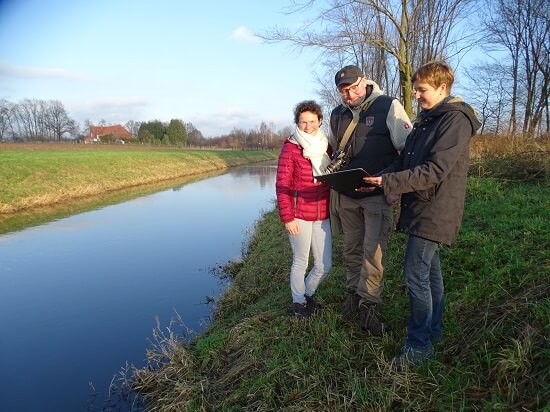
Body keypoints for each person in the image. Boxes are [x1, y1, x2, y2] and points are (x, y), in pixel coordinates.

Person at [362, 61, 481, 369]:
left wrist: (390, 182)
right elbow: (405, 161)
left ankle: (419, 344)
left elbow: (435, 171)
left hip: (437, 209)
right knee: (430, 273)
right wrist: (378, 178)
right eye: (415, 89)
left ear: (442, 89)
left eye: (422, 90)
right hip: (421, 206)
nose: (415, 95)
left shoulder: (455, 121)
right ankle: (434, 330)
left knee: (415, 273)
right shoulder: (427, 119)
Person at [329, 65, 412, 335]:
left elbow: (406, 148)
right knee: (351, 250)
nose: (348, 94)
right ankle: (353, 295)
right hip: (347, 195)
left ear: (364, 82)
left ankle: (369, 305)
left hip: (377, 194)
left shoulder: (389, 105)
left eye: (353, 87)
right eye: (343, 90)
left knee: (372, 253)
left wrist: (394, 186)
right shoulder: (336, 114)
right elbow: (331, 151)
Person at [276, 100, 333, 318]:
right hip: (299, 215)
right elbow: (282, 185)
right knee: (301, 261)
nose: (308, 126)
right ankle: (298, 303)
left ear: (320, 121)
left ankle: (307, 294)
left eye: (312, 121)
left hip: (323, 214)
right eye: (303, 122)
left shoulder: (327, 146)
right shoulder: (291, 147)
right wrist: (287, 217)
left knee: (324, 265)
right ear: (297, 123)